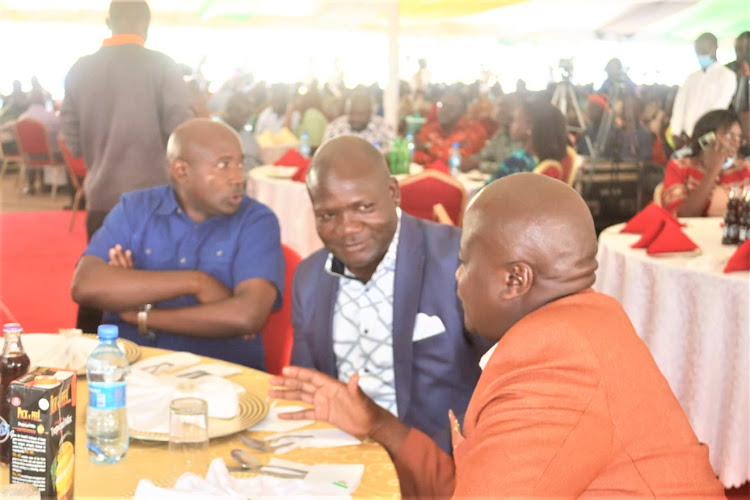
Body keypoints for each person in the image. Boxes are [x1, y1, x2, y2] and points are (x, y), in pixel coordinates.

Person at [269, 172, 725, 498]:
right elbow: (474, 481)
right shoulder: (584, 321)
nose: (457, 278)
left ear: (515, 280)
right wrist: (377, 423)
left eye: (466, 262)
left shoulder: (554, 367)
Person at [290, 136, 491, 452]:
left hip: (440, 465)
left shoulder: (457, 260)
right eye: (328, 215)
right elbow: (307, 390)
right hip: (343, 457)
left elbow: (505, 381)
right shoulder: (308, 278)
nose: (348, 229)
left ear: (393, 193)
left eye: (363, 207)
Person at [70, 119, 284, 369]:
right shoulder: (136, 210)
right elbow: (85, 285)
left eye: (240, 164)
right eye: (224, 165)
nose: (238, 177)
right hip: (133, 371)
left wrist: (141, 315)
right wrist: (196, 282)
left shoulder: (256, 220)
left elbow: (246, 316)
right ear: (182, 171)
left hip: (223, 378)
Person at [60, 0, 192, 333]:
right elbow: (183, 133)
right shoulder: (163, 66)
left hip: (103, 199)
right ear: (147, 25)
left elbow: (72, 142)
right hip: (158, 203)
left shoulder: (79, 70)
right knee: (155, 288)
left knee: (97, 285)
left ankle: (87, 358)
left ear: (108, 22)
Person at [662, 109, 750, 217]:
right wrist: (713, 170)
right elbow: (682, 216)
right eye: (729, 135)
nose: (736, 143)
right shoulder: (679, 167)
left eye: (739, 137)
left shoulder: (744, 168)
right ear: (708, 139)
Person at [669, 32, 737, 148]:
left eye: (704, 50)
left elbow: (718, 109)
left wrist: (698, 137)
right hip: (684, 138)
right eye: (698, 50)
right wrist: (676, 133)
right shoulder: (691, 78)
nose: (701, 54)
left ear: (714, 48)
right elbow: (679, 106)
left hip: (709, 137)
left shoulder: (726, 76)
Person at [488, 100, 568, 182]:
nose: (511, 125)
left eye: (515, 120)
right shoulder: (547, 162)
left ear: (530, 127)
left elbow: (487, 191)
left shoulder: (518, 162)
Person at [413, 91, 487, 166]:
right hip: (430, 173)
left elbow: (458, 160)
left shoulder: (473, 131)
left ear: (463, 111)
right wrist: (436, 159)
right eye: (442, 105)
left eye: (451, 107)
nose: (444, 110)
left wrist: (428, 147)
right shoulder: (430, 128)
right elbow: (414, 154)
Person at [17, 89, 62, 195]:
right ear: (43, 100)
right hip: (51, 156)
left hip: (29, 157)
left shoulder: (22, 118)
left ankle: (30, 185)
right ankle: (63, 187)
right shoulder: (52, 117)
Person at [460, 95, 519, 174]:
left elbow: (512, 169)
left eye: (507, 106)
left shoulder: (521, 138)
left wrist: (479, 165)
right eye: (500, 105)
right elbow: (485, 154)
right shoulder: (501, 133)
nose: (501, 110)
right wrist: (469, 161)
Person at [322, 90, 393, 149]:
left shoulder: (383, 128)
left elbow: (391, 154)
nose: (356, 117)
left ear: (371, 113)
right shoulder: (334, 128)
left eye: (361, 113)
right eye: (352, 112)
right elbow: (324, 156)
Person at [218, 92, 262, 175]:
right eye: (243, 115)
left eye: (248, 116)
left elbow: (258, 159)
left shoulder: (247, 134)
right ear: (229, 110)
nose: (246, 121)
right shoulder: (216, 133)